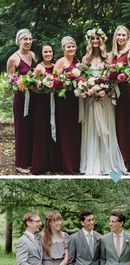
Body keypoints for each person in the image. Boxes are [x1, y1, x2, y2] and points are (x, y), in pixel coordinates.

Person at [79, 28, 127, 175]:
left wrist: (104, 88)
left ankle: (108, 164)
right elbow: (82, 79)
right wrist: (88, 88)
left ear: (101, 41)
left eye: (97, 39)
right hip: (91, 99)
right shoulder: (85, 59)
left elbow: (111, 77)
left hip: (105, 98)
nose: (95, 41)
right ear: (89, 41)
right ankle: (93, 162)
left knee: (106, 128)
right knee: (93, 128)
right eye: (92, 39)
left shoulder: (109, 57)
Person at [7, 29, 36, 174]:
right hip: (21, 99)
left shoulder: (33, 55)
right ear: (19, 40)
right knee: (22, 130)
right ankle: (20, 163)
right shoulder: (13, 59)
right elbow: (11, 81)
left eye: (30, 39)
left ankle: (30, 161)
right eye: (25, 39)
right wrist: (21, 84)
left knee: (32, 128)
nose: (28, 42)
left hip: (35, 99)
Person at [110, 25, 130, 170]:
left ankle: (129, 159)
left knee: (127, 124)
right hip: (114, 92)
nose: (121, 38)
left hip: (126, 91)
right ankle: (118, 156)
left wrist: (123, 77)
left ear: (128, 37)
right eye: (118, 35)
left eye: (123, 35)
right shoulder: (113, 54)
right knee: (117, 124)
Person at [31, 44, 61, 174]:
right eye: (45, 52)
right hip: (42, 104)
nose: (48, 54)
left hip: (55, 103)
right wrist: (43, 85)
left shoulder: (55, 66)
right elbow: (35, 86)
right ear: (41, 54)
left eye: (50, 51)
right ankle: (41, 164)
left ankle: (53, 162)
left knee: (53, 131)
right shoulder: (39, 67)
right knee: (43, 131)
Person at [54, 36, 81, 174]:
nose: (71, 49)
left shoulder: (78, 62)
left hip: (76, 101)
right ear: (63, 48)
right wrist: (66, 83)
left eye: (72, 46)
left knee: (76, 131)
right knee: (65, 131)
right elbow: (54, 81)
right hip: (64, 101)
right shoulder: (60, 62)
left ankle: (76, 162)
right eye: (68, 47)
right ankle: (67, 164)